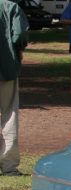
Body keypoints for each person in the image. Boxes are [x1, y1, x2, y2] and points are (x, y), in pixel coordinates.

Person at [0, 0, 28, 176]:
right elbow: (19, 35)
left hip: (7, 67)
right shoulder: (11, 7)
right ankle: (8, 165)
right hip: (6, 67)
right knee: (9, 114)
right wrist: (19, 51)